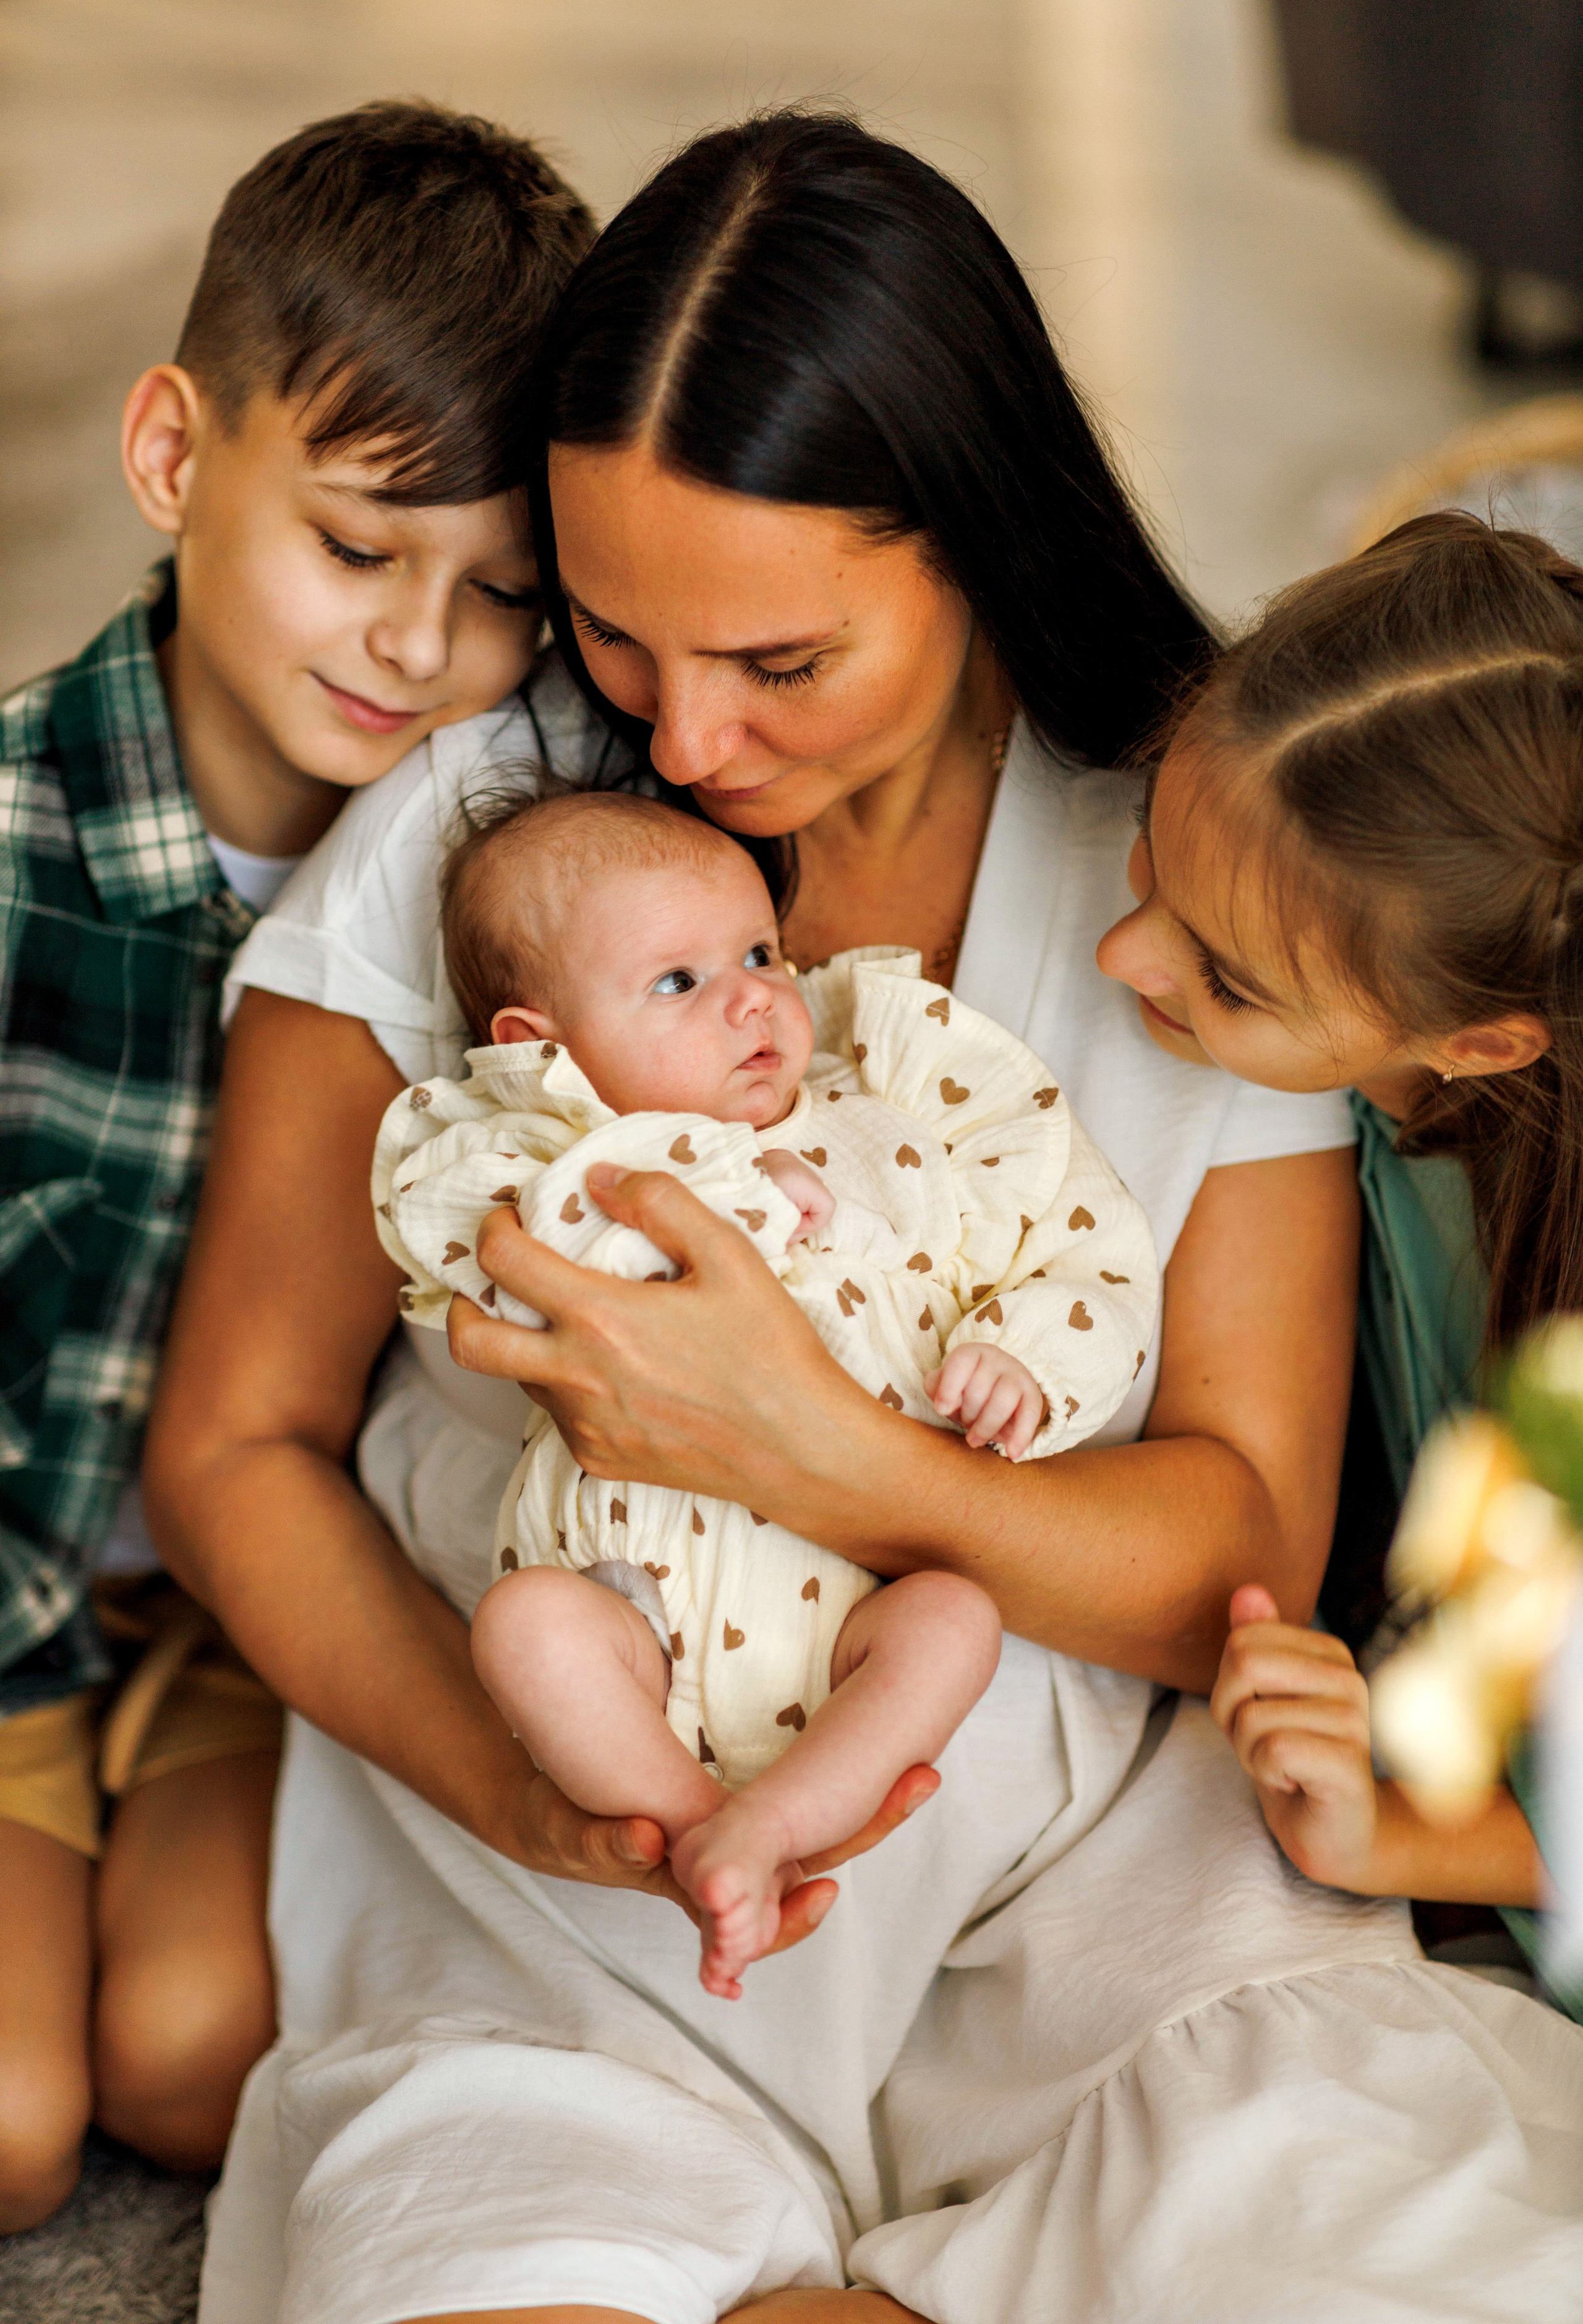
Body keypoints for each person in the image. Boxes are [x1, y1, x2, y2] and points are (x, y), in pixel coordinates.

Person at [146, 115, 1583, 2324]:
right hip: (574, 1890)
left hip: (1086, 1904)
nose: (688, 740)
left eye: (780, 665)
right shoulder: (484, 826)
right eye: (619, 636)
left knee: (1381, 2258)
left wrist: (818, 1451)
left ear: (973, 546)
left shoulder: (1187, 880)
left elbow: (1233, 1531)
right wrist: (521, 1796)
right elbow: (237, 1436)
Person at [0, 100, 592, 2231]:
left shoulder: (509, 883)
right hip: (15, 1611)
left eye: (500, 591)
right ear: (173, 459)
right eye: (359, 547)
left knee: (191, 2056)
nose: (421, 648)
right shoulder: (14, 851)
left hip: (269, 1627)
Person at [377, 785, 1155, 1995]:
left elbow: (1061, 1256)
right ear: (544, 1046)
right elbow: (475, 1250)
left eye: (760, 953)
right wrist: (703, 1182)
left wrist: (1022, 1360)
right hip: (636, 1609)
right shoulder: (528, 1153)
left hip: (859, 1597)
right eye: (677, 982)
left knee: (954, 1620)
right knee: (526, 1628)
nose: (752, 995)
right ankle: (694, 1829)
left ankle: (774, 1823)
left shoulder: (889, 1127)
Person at [1094, 509, 1583, 2010]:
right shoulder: (1373, 1097)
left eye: (1222, 976)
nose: (1124, 959)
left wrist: (1401, 1840)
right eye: (1146, 860)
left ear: (1480, 1041)